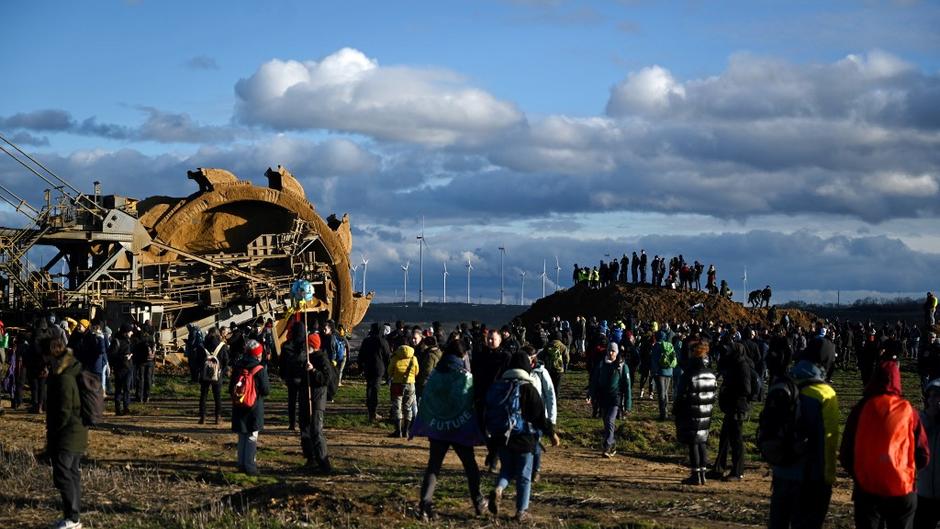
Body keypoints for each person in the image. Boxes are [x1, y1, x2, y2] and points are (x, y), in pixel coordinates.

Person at [840, 355, 929, 529]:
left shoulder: (861, 409)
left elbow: (846, 452)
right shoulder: (908, 411)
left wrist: (859, 475)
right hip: (901, 486)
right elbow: (923, 454)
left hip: (868, 488)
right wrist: (907, 469)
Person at [412, 339, 488, 520]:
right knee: (470, 466)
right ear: (462, 355)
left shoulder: (436, 375)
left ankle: (424, 504)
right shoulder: (465, 376)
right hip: (460, 429)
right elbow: (469, 400)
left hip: (438, 429)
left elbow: (427, 397)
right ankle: (478, 501)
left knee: (434, 466)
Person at [486, 352, 559, 522]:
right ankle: (521, 511)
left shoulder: (501, 386)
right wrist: (551, 433)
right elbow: (540, 416)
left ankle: (499, 488)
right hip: (525, 438)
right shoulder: (528, 388)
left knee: (506, 470)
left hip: (502, 437)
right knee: (524, 476)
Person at [767, 360, 840, 529]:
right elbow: (828, 439)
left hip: (781, 468)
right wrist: (828, 478)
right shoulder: (824, 393)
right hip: (809, 475)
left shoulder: (783, 385)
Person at [45, 337, 88, 529]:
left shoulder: (64, 377)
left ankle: (73, 518)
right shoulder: (72, 368)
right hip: (77, 431)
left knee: (63, 474)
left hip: (68, 433)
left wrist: (54, 432)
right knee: (71, 473)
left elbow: (63, 409)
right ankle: (72, 517)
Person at [709, 330, 751, 481]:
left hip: (738, 406)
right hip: (731, 406)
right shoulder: (735, 364)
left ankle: (737, 471)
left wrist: (729, 389)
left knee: (736, 440)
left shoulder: (742, 366)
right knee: (724, 438)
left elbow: (746, 389)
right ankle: (718, 469)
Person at [673, 342, 717, 486]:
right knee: (702, 441)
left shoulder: (689, 373)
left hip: (691, 411)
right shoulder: (711, 373)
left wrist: (677, 410)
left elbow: (680, 395)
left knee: (693, 443)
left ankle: (695, 474)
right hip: (706, 411)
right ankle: (703, 474)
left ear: (694, 353)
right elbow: (714, 394)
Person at [228, 339, 269, 475]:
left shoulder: (238, 366)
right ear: (257, 354)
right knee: (252, 436)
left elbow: (230, 388)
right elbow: (265, 390)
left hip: (239, 405)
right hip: (254, 407)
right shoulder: (259, 369)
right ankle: (250, 467)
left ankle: (240, 464)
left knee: (242, 436)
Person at [588, 342, 632, 457]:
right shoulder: (601, 364)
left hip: (615, 397)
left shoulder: (622, 366)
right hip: (603, 397)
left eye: (613, 351)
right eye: (609, 350)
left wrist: (628, 404)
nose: (611, 353)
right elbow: (594, 380)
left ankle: (607, 447)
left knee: (609, 420)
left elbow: (627, 386)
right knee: (606, 422)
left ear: (617, 353)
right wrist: (590, 394)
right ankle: (612, 444)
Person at [303, 332, 334, 474]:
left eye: (307, 344)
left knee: (316, 431)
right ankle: (311, 459)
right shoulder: (307, 358)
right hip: (306, 398)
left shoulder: (321, 359)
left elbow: (325, 379)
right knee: (305, 431)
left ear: (312, 346)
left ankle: (324, 464)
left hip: (317, 399)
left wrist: (313, 370)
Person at [527, 345, 557, 483]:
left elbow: (550, 394)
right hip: (523, 414)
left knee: (536, 442)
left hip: (539, 415)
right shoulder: (520, 371)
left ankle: (535, 470)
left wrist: (551, 419)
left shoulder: (541, 372)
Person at [915, 379, 940, 529]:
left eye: (937, 396)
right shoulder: (920, 420)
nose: (933, 400)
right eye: (930, 396)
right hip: (923, 490)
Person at [358, 323, 391, 423]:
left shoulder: (366, 341)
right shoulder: (383, 341)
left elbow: (361, 355)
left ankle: (370, 410)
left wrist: (360, 367)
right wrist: (389, 371)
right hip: (379, 368)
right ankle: (373, 412)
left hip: (368, 367)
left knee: (369, 388)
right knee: (375, 389)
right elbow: (387, 357)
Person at [199, 330, 229, 425]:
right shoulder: (222, 346)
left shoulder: (202, 345)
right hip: (217, 375)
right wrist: (221, 372)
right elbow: (226, 361)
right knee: (217, 397)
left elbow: (197, 360)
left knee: (203, 396)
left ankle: (202, 417)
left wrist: (200, 371)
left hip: (204, 374)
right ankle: (217, 417)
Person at [388, 344, 419, 438]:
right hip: (410, 384)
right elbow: (417, 371)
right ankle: (406, 431)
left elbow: (389, 371)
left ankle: (398, 431)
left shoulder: (395, 358)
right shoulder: (414, 359)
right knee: (408, 407)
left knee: (397, 406)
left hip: (397, 384)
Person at [108, 324, 134, 416]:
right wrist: (123, 357)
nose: (132, 333)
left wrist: (130, 355)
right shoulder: (116, 341)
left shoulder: (129, 340)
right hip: (119, 368)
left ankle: (126, 407)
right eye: (130, 331)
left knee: (127, 388)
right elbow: (111, 355)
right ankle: (118, 408)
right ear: (126, 332)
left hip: (129, 367)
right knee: (119, 389)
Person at [651, 330, 677, 421]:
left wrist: (654, 372)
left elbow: (654, 360)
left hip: (660, 372)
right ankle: (666, 411)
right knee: (665, 392)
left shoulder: (656, 346)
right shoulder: (669, 345)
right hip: (669, 371)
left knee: (661, 393)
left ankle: (663, 414)